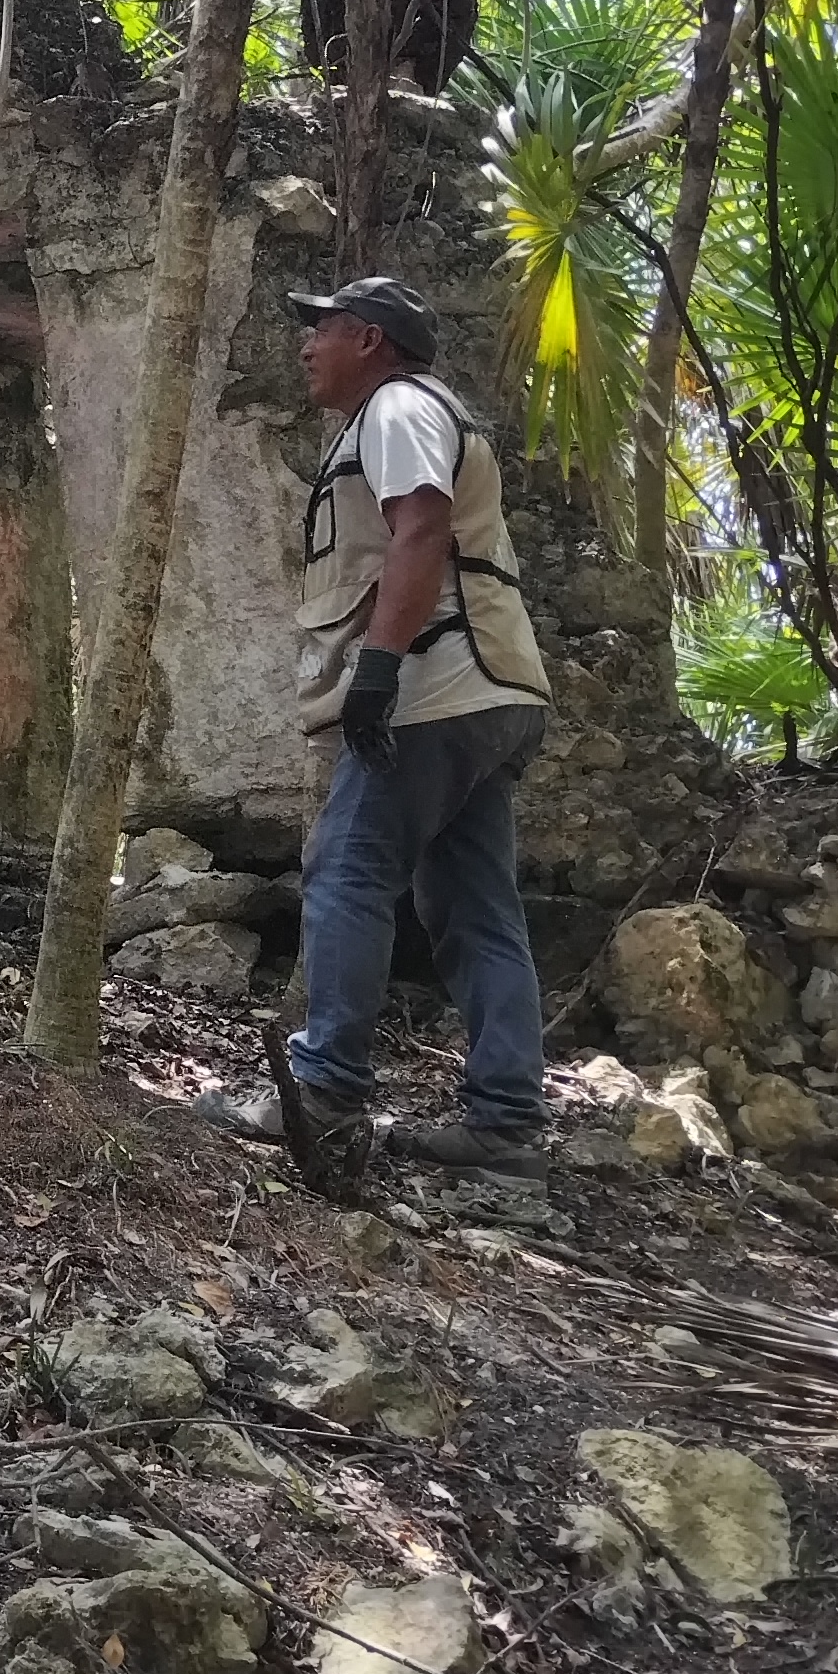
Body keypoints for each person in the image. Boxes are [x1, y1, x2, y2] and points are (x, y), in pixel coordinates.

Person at [253, 274, 560, 1194]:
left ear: (372, 341)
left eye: (324, 329)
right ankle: (505, 1122)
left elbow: (419, 530)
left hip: (437, 684)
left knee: (348, 868)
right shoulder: (416, 409)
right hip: (499, 690)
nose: (308, 346)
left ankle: (326, 1089)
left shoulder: (395, 409)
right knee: (475, 907)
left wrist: (378, 671)